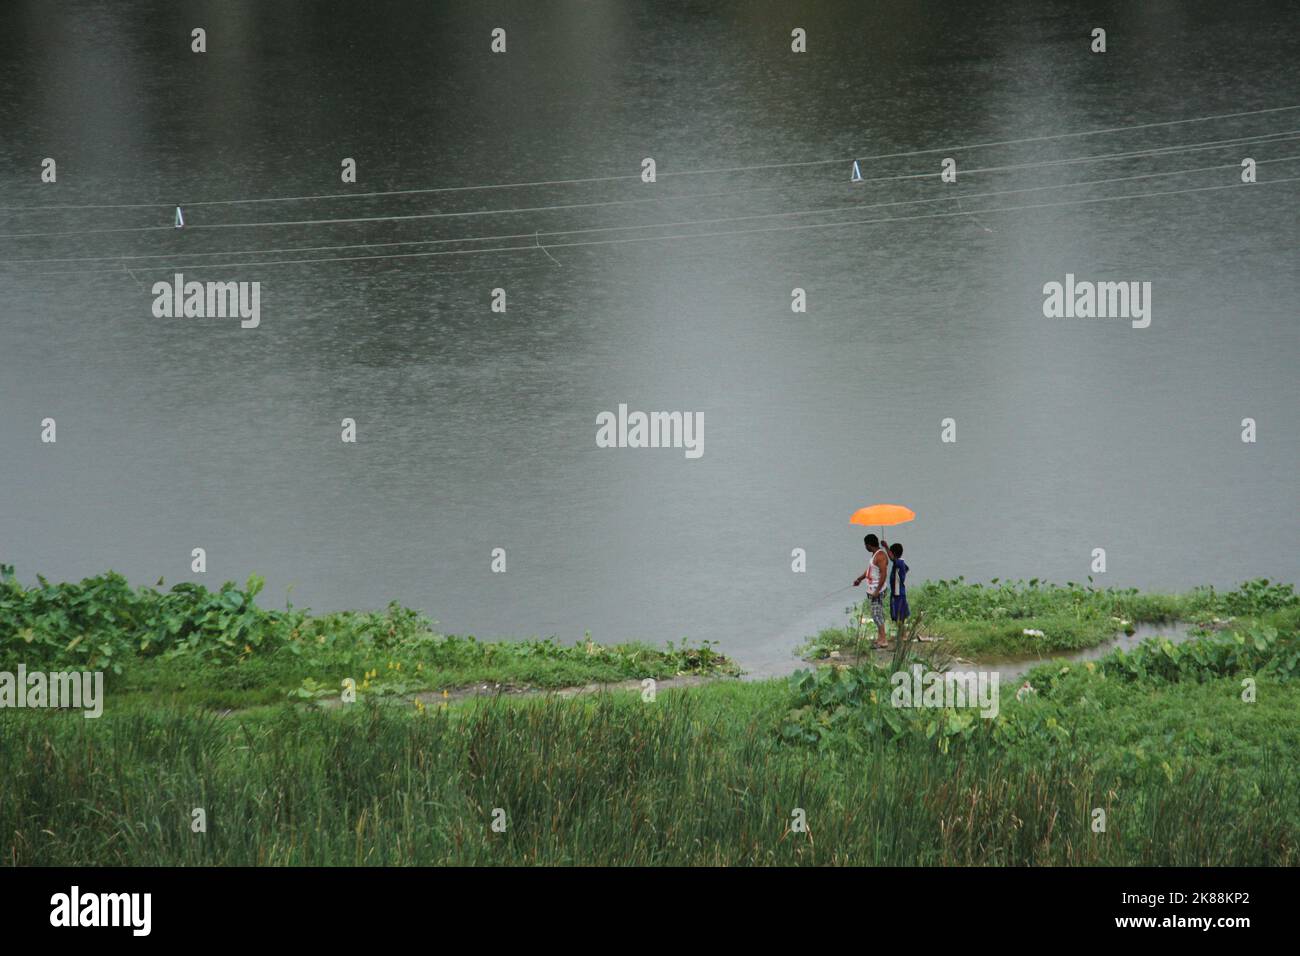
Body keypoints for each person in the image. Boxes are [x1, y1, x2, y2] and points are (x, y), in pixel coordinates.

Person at [852, 534, 890, 649]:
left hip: (877, 590)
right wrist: (860, 579)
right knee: (876, 613)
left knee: (876, 614)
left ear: (869, 545)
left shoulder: (881, 556)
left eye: (865, 545)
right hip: (872, 588)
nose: (865, 547)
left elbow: (884, 574)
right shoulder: (875, 555)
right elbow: (870, 570)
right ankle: (880, 637)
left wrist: (877, 591)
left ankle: (883, 640)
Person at [885, 541, 910, 643]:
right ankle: (901, 634)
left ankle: (903, 635)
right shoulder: (901, 563)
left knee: (899, 615)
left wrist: (886, 546)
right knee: (898, 615)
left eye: (891, 552)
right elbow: (907, 568)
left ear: (894, 553)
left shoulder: (898, 562)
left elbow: (892, 558)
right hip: (898, 592)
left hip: (898, 593)